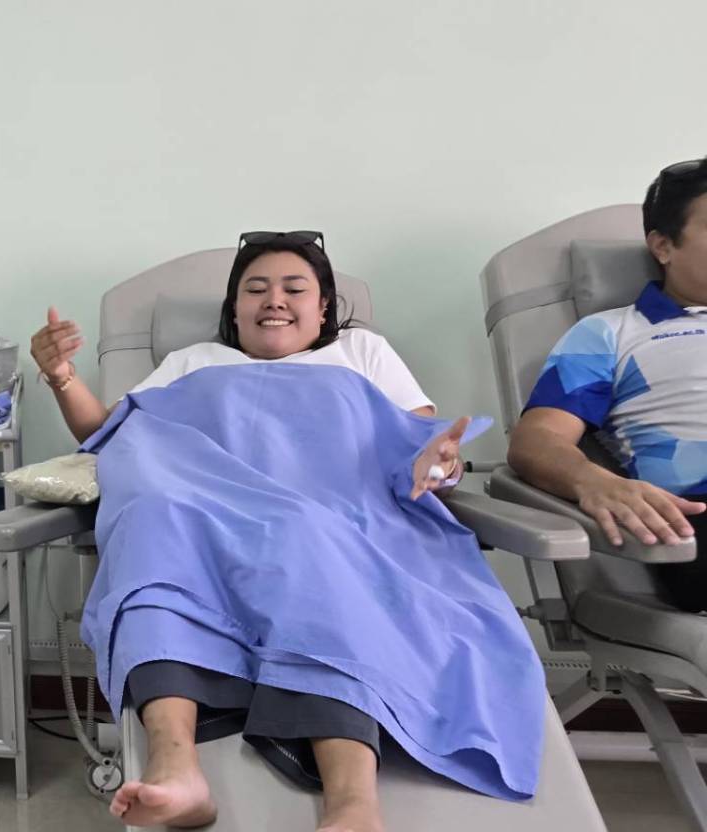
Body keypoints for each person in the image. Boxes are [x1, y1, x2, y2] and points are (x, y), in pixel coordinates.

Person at [31, 233, 494, 832]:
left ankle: (353, 803)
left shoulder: (361, 352)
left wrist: (438, 464)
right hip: (205, 521)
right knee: (150, 520)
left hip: (328, 515)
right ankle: (177, 770)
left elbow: (419, 446)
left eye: (294, 289)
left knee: (311, 532)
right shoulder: (194, 362)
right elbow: (118, 435)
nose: (274, 300)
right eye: (256, 289)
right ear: (235, 309)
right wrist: (61, 377)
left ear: (323, 308)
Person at [508, 156, 707, 606]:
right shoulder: (609, 333)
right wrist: (591, 481)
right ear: (663, 246)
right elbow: (536, 440)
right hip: (696, 512)